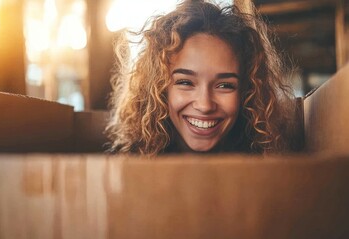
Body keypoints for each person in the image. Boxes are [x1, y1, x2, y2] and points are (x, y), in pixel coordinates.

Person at [106, 0, 299, 155]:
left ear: (247, 92)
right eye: (185, 82)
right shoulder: (124, 165)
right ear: (158, 89)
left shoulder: (270, 166)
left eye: (224, 85)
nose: (205, 105)